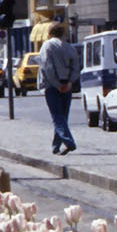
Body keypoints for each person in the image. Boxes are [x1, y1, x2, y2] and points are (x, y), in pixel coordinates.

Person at [40, 21, 79, 156]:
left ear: (50, 33)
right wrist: (69, 83)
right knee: (63, 116)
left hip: (52, 85)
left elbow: (47, 67)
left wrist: (57, 84)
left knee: (57, 116)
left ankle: (69, 142)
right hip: (67, 84)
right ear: (63, 33)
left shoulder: (47, 45)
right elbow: (76, 67)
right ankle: (55, 146)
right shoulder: (70, 47)